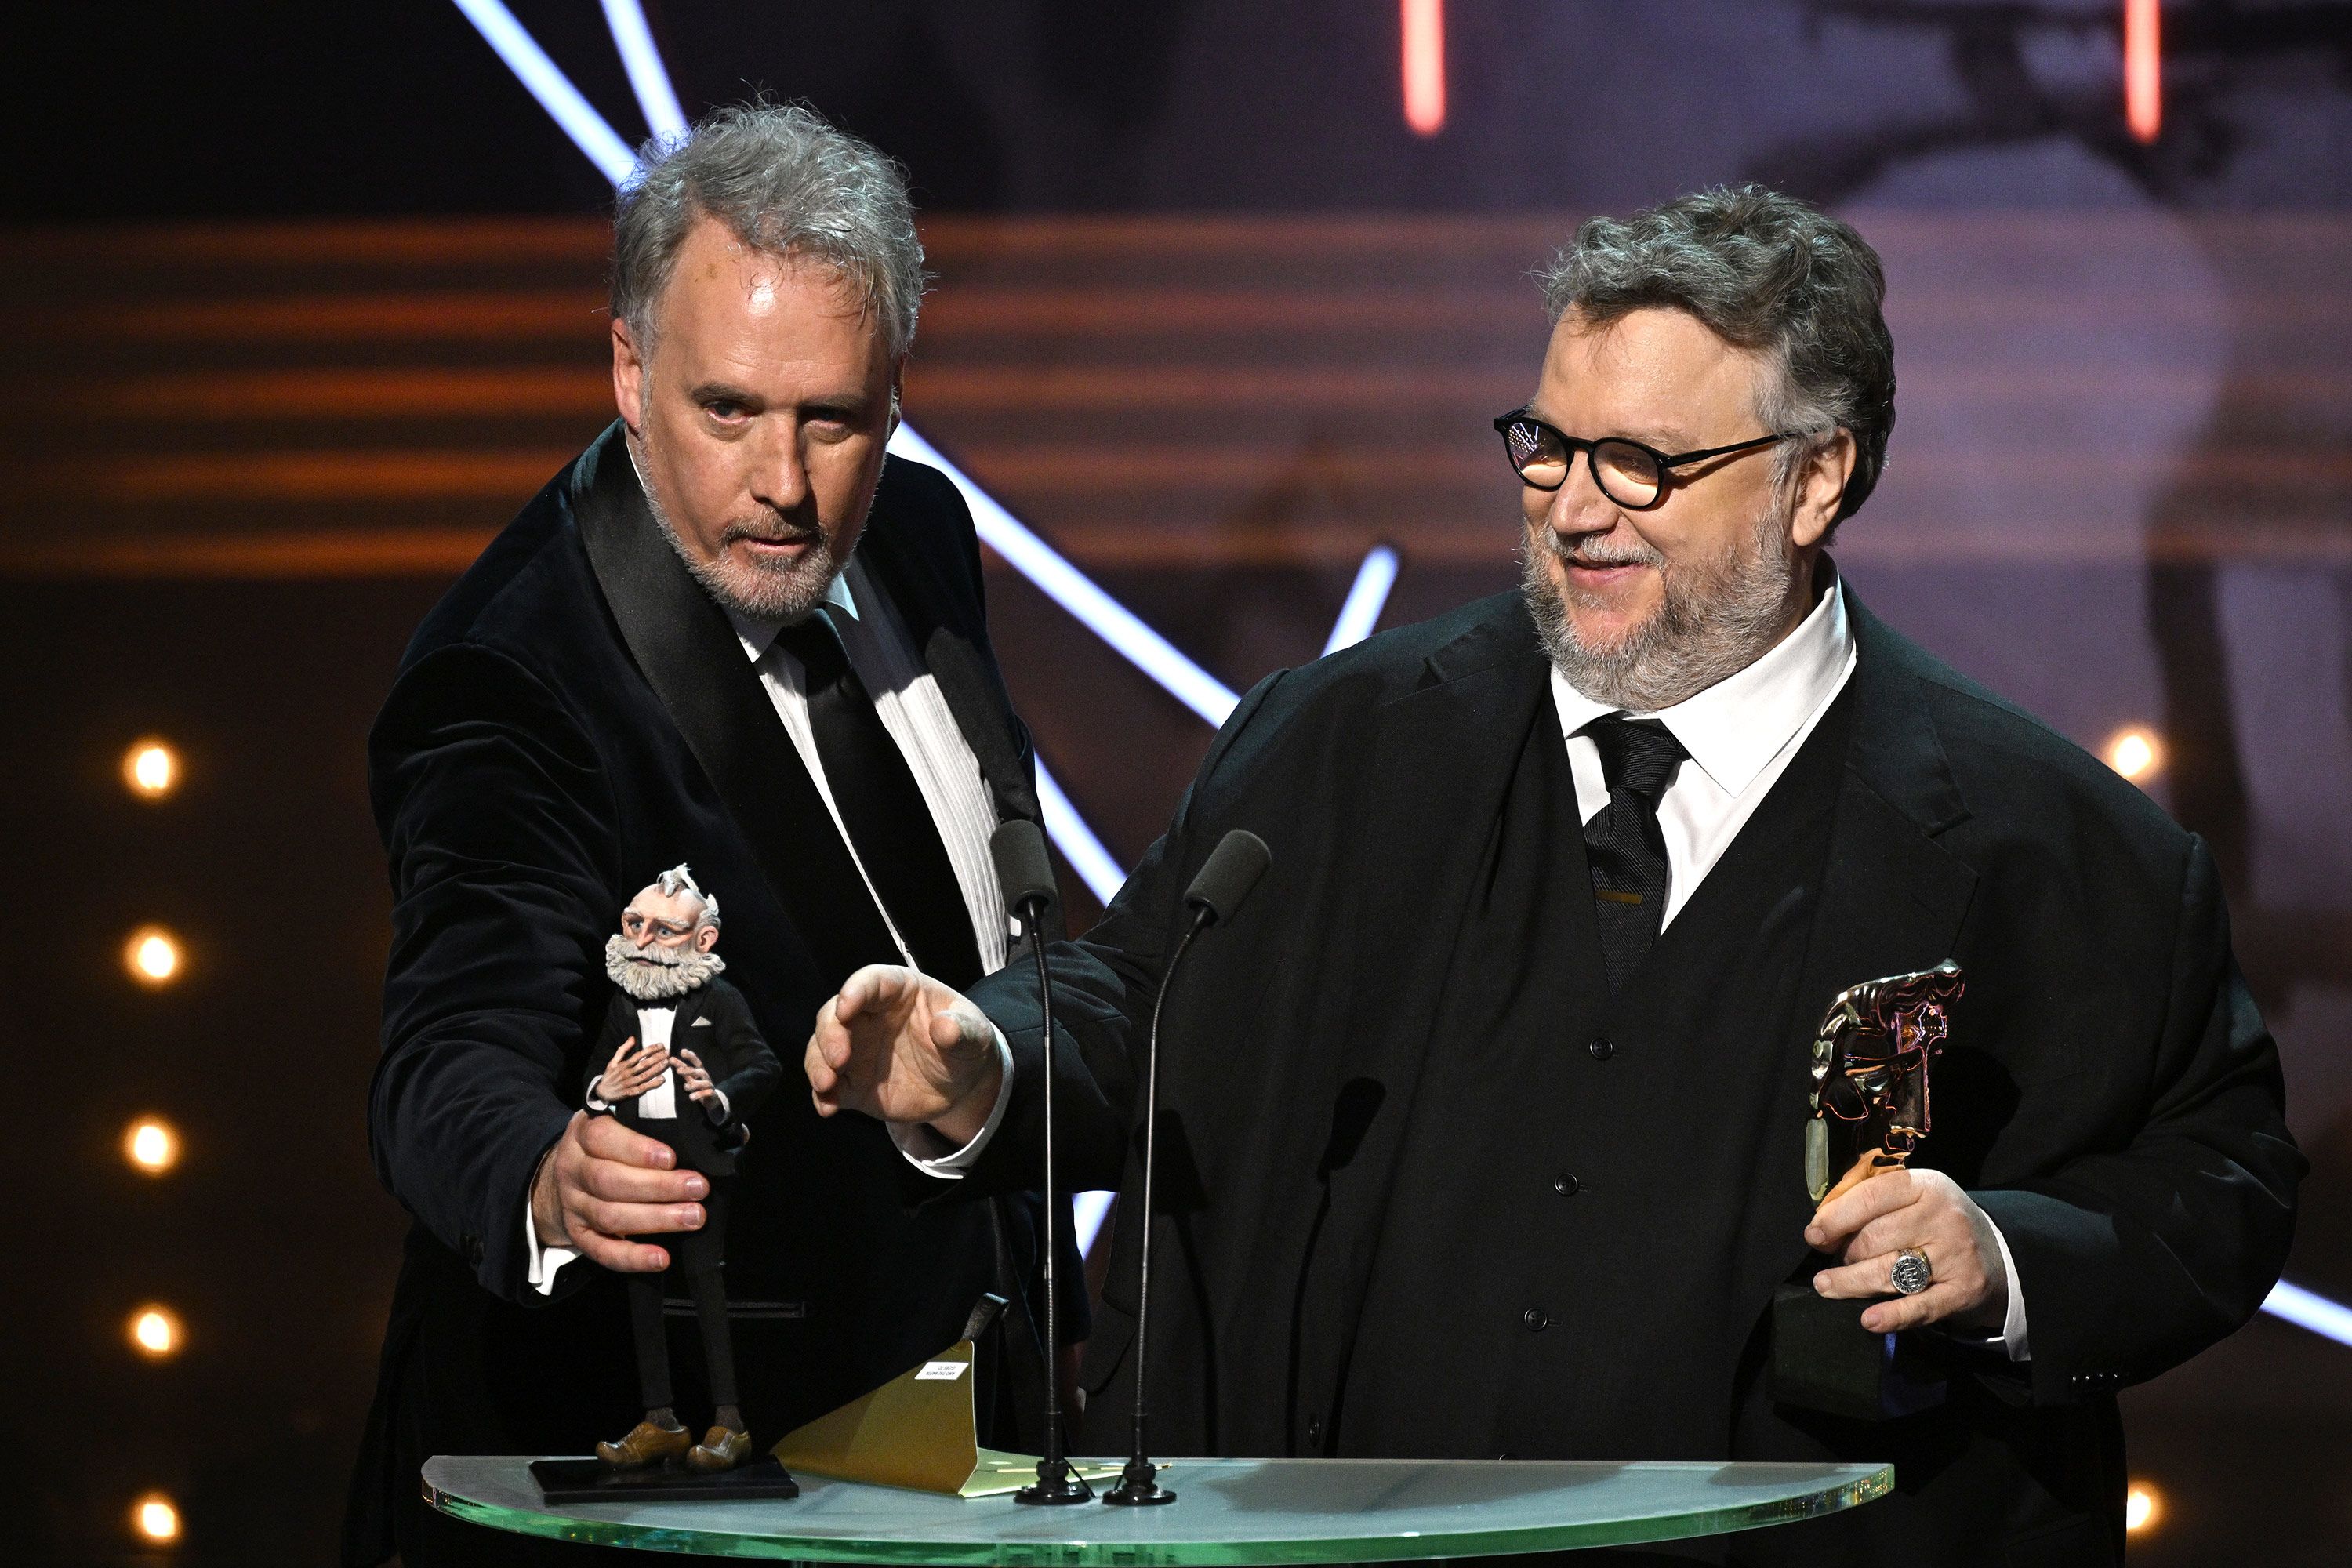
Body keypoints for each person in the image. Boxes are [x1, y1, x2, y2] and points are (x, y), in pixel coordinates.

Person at [804, 186, 2303, 1565]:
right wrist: (988, 1063)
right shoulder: (1339, 742)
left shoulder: (2054, 843)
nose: (1577, 506)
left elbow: (2217, 1186)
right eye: (1550, 444)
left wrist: (2001, 1254)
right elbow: (1145, 997)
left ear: (1817, 478)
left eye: (1644, 462)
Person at [345, 103, 1079, 1566]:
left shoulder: (920, 533)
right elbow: (449, 1042)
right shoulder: (515, 668)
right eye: (728, 410)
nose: (786, 485)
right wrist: (544, 1175)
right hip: (657, 1503)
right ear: (629, 369)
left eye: (834, 418)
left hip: (952, 1464)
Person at [584, 866, 781, 1473]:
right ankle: (660, 1419)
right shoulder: (622, 1003)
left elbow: (764, 1065)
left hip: (700, 1168)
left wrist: (718, 1097)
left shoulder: (718, 1000)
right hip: (636, 1174)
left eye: (664, 930)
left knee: (706, 1291)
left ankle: (729, 1421)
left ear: (703, 941)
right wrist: (600, 1090)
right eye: (634, 924)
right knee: (641, 1293)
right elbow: (594, 1074)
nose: (643, 940)